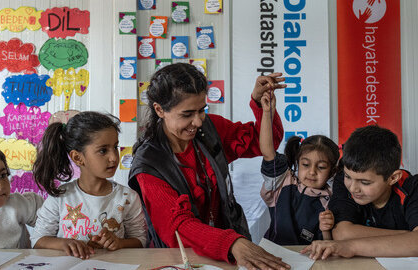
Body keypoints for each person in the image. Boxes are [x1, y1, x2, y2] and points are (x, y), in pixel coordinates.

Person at [129, 63, 290, 270]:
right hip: (179, 259)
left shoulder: (210, 130)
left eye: (201, 110)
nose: (197, 121)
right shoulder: (149, 165)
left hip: (226, 255)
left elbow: (265, 142)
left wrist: (261, 105)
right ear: (160, 110)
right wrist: (232, 243)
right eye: (187, 114)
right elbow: (178, 226)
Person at [31, 111, 147, 259]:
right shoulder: (60, 197)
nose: (113, 157)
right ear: (78, 157)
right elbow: (37, 240)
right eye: (103, 150)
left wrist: (120, 243)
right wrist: (63, 244)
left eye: (115, 147)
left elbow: (141, 240)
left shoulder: (128, 197)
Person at [302, 125, 418, 260]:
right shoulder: (343, 181)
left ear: (393, 178)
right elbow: (342, 234)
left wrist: (351, 247)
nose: (353, 188)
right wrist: (406, 236)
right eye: (348, 177)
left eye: (365, 183)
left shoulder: (412, 188)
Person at [259, 91, 340, 245]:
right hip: (273, 255)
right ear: (298, 162)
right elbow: (267, 152)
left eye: (321, 167)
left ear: (332, 171)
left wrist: (326, 230)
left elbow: (329, 245)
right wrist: (267, 113)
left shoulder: (332, 201)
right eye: (305, 164)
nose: (312, 172)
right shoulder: (283, 182)